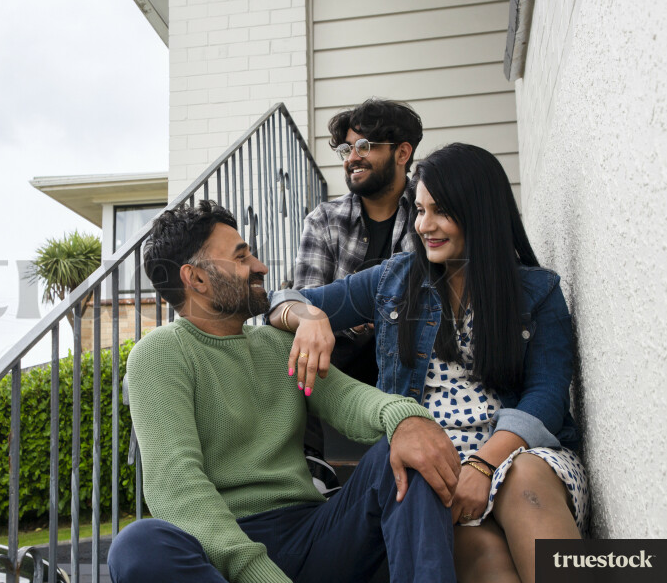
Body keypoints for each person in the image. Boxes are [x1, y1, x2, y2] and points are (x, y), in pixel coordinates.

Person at [270, 144, 588, 583]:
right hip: (433, 468)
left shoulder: (537, 292)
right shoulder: (394, 279)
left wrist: (483, 465)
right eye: (419, 210)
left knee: (525, 481)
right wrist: (308, 317)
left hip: (518, 453)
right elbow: (282, 302)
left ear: (479, 212)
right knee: (484, 554)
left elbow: (547, 394)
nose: (425, 226)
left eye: (440, 211)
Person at [107, 200, 460, 583]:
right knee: (137, 545)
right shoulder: (160, 353)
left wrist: (404, 417)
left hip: (311, 534)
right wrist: (258, 573)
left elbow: (349, 400)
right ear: (197, 279)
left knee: (407, 450)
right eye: (242, 258)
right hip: (217, 550)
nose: (261, 267)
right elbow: (175, 484)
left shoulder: (277, 344)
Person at [295, 99, 423, 492]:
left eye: (365, 146)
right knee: (288, 340)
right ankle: (311, 469)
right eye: (347, 149)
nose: (353, 157)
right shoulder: (325, 220)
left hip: (411, 351)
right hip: (342, 356)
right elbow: (308, 300)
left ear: (402, 152)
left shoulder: (429, 210)